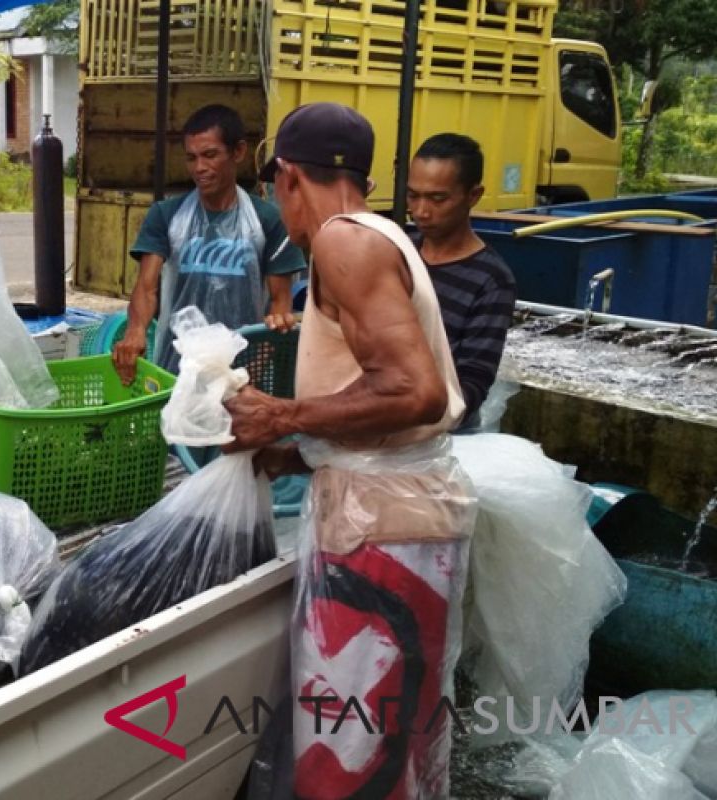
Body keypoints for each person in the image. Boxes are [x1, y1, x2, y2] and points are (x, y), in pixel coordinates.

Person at [224, 103, 476, 799]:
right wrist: (299, 448)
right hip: (394, 519)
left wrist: (284, 416)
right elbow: (377, 403)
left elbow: (413, 391)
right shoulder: (379, 235)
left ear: (287, 178)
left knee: (353, 750)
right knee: (393, 743)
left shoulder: (344, 242)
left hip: (382, 536)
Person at [112, 104, 306, 382]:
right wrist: (135, 330)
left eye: (210, 155)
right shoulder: (167, 215)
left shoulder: (267, 221)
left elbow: (279, 306)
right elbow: (146, 286)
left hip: (242, 368)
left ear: (238, 152)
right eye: (191, 158)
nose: (199, 168)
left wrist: (248, 376)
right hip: (175, 371)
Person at [408, 133, 517, 430]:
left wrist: (406, 417)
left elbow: (472, 383)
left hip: (446, 434)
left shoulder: (492, 280)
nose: (421, 211)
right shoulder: (398, 251)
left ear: (473, 195)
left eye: (437, 198)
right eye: (413, 195)